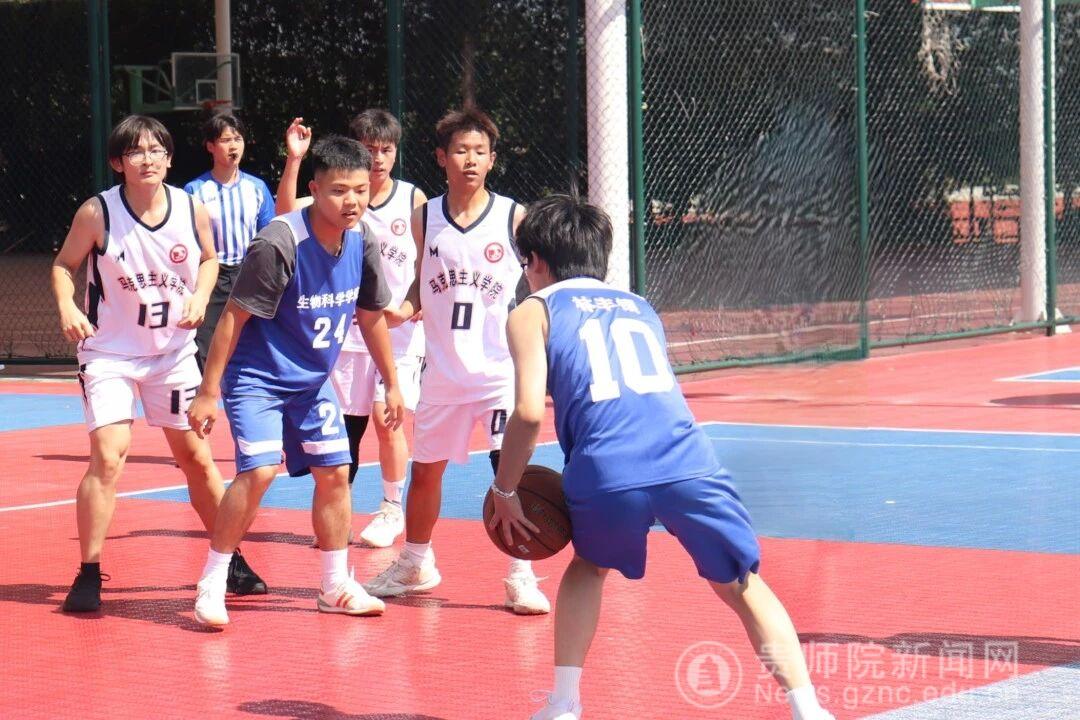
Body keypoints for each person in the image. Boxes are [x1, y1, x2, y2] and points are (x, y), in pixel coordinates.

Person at [488, 194, 836, 720]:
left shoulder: (531, 312)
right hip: (687, 460)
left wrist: (505, 488)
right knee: (742, 584)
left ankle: (563, 705)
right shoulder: (640, 306)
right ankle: (808, 709)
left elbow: (529, 413)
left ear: (534, 260)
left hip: (608, 467)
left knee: (588, 568)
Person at [51, 114, 265, 613]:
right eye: (136, 152)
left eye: (156, 150)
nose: (147, 159)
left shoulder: (192, 209)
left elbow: (210, 259)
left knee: (196, 459)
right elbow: (63, 265)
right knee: (109, 456)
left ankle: (229, 559)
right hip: (110, 353)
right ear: (118, 162)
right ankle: (88, 571)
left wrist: (201, 296)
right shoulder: (97, 213)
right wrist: (67, 306)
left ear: (169, 158)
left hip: (171, 354)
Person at [187, 135, 404, 627]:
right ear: (315, 189)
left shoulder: (363, 239)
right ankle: (213, 579)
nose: (351, 201)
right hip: (258, 378)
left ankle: (334, 585)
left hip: (311, 381)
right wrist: (207, 392)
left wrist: (392, 382)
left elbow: (371, 316)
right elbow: (233, 318)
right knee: (260, 471)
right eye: (338, 191)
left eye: (360, 190)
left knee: (336, 472)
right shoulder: (280, 241)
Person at [362, 107, 549, 615]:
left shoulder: (514, 217)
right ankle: (415, 562)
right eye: (461, 151)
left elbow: (539, 281)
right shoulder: (424, 217)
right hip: (442, 372)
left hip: (497, 373)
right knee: (425, 473)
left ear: (492, 160)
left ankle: (521, 574)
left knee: (509, 473)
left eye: (480, 152)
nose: (470, 160)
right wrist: (403, 309)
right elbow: (420, 282)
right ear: (441, 157)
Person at [276, 111, 427, 548]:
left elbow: (427, 263)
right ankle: (338, 510)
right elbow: (285, 213)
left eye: (387, 150)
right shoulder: (334, 199)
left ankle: (391, 508)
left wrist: (411, 305)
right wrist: (294, 160)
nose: (378, 158)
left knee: (386, 418)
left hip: (395, 334)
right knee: (346, 428)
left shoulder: (412, 199)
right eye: (370, 149)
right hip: (344, 335)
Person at [183, 112, 275, 369]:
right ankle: (207, 390)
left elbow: (268, 234)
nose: (233, 146)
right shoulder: (194, 190)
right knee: (206, 342)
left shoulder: (257, 188)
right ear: (210, 146)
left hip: (249, 272)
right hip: (212, 275)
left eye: (238, 139)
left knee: (253, 339)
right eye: (225, 140)